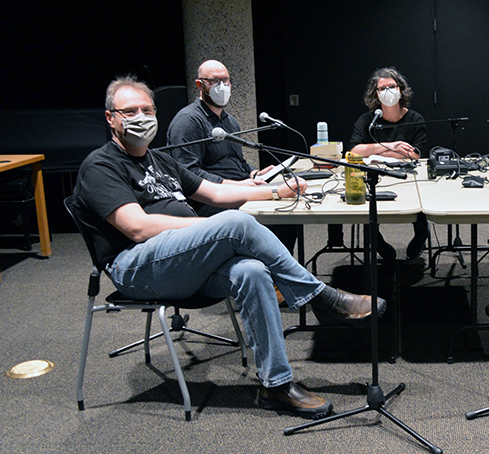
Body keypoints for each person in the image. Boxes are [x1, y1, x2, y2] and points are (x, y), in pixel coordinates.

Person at [74, 76, 387, 419]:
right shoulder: (101, 165)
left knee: (251, 272)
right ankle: (321, 297)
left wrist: (276, 191)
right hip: (137, 269)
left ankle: (276, 385)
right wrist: (212, 229)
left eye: (146, 109)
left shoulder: (159, 160)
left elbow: (217, 193)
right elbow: (136, 227)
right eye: (129, 111)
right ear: (111, 118)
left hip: (179, 263)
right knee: (234, 224)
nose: (141, 117)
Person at [166, 60, 298, 252]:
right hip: (211, 201)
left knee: (288, 214)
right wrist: (237, 185)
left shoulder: (230, 121)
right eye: (214, 81)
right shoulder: (188, 121)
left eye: (225, 81)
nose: (222, 86)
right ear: (199, 85)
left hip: (240, 189)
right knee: (277, 217)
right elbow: (189, 174)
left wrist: (254, 174)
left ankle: (276, 277)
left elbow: (238, 163)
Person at [345, 67, 428, 262]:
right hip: (374, 174)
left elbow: (414, 154)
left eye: (392, 86)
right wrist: (390, 146)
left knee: (421, 201)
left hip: (409, 176)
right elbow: (354, 151)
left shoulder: (415, 119)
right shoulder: (367, 120)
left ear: (401, 90)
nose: (388, 91)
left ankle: (421, 235)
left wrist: (373, 149)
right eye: (382, 88)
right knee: (368, 204)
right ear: (376, 94)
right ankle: (377, 241)